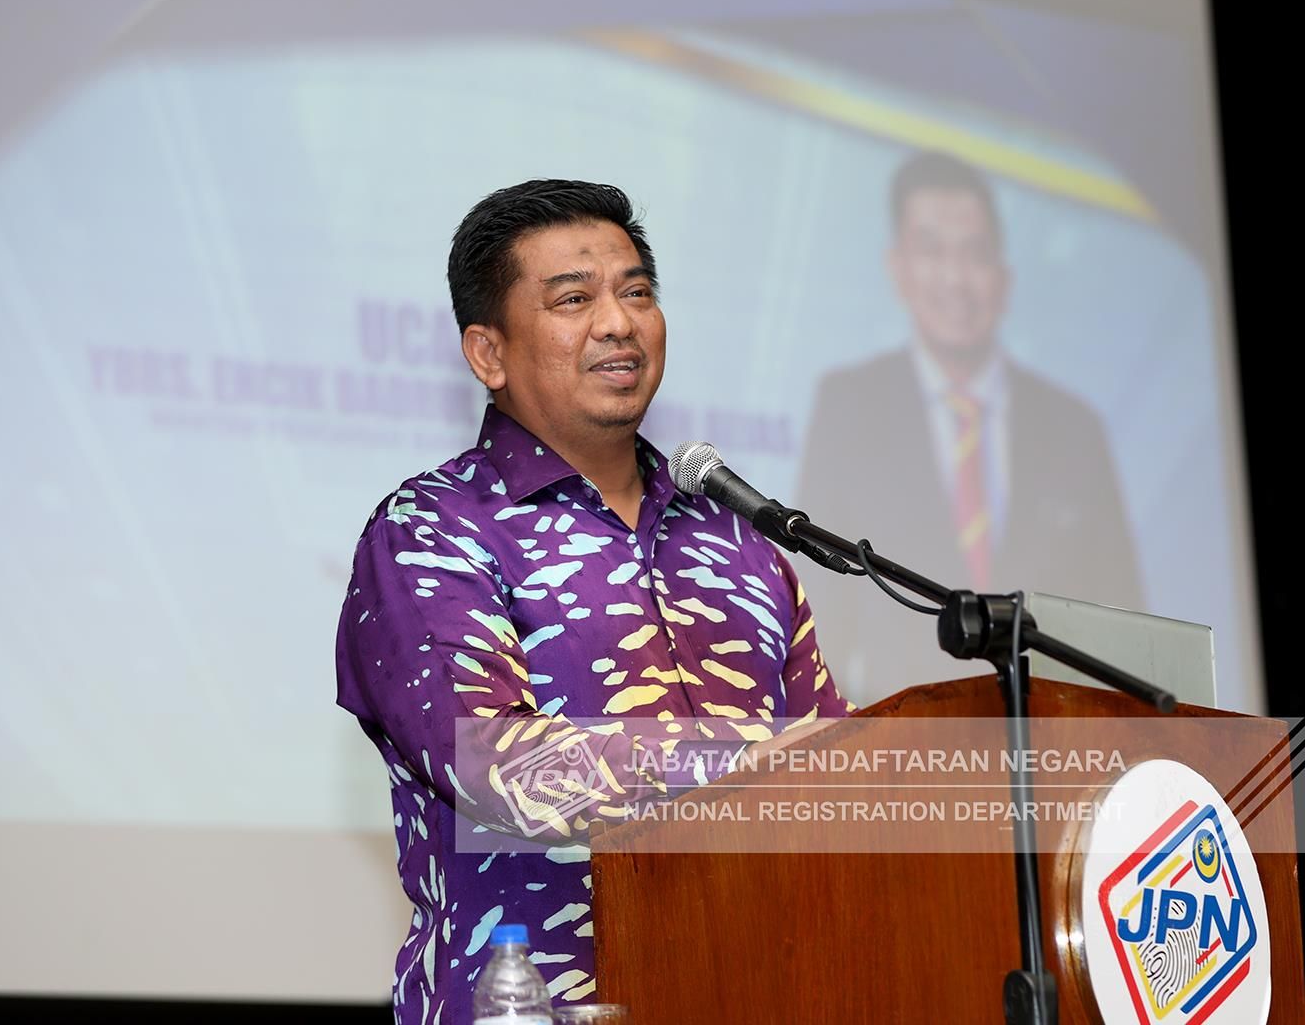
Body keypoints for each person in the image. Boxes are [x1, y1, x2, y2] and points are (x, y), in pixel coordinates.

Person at [336, 180, 852, 1023]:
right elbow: (497, 768)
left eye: (637, 292)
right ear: (488, 354)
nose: (619, 322)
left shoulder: (740, 539)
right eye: (574, 299)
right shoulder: (432, 531)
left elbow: (837, 774)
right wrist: (759, 761)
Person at [794, 152, 1142, 696]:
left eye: (975, 253)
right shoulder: (848, 406)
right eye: (932, 251)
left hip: (1059, 729)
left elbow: (1125, 616)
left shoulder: (1075, 428)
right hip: (904, 731)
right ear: (898, 268)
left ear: (1003, 276)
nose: (956, 279)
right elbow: (823, 609)